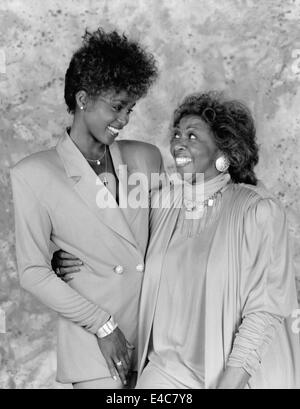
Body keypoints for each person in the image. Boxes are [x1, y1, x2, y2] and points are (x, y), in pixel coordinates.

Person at [11, 27, 162, 389]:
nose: (125, 119)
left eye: (130, 108)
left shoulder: (146, 157)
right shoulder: (33, 173)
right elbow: (32, 271)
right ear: (82, 99)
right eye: (116, 106)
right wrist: (102, 325)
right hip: (95, 346)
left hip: (159, 340)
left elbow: (169, 240)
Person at [134, 92, 300, 389]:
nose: (178, 143)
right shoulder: (162, 204)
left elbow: (264, 310)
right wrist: (68, 259)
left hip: (236, 376)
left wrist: (229, 384)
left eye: (192, 135)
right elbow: (119, 249)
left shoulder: (257, 210)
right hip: (165, 372)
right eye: (176, 134)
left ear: (224, 152)